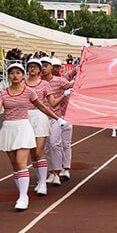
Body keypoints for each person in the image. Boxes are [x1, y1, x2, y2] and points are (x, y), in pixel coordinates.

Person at [0, 63, 64, 210]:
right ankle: (22, 193)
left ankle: (23, 197)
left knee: (21, 162)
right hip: (8, 128)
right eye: (12, 73)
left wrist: (57, 118)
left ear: (22, 75)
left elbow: (42, 106)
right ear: (9, 76)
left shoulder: (29, 92)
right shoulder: (3, 93)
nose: (15, 75)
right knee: (15, 165)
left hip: (23, 128)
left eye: (18, 73)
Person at [24, 57, 59, 195]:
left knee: (39, 151)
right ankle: (40, 180)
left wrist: (65, 95)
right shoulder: (22, 84)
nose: (32, 68)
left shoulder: (44, 84)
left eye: (35, 66)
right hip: (25, 118)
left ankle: (43, 183)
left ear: (39, 70)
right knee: (32, 153)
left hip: (40, 117)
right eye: (30, 66)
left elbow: (52, 102)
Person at [42, 57, 74, 185]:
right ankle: (52, 171)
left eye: (57, 67)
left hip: (64, 116)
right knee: (48, 147)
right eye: (53, 66)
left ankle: (65, 169)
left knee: (63, 144)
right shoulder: (41, 82)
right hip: (49, 117)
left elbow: (76, 75)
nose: (55, 69)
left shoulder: (63, 79)